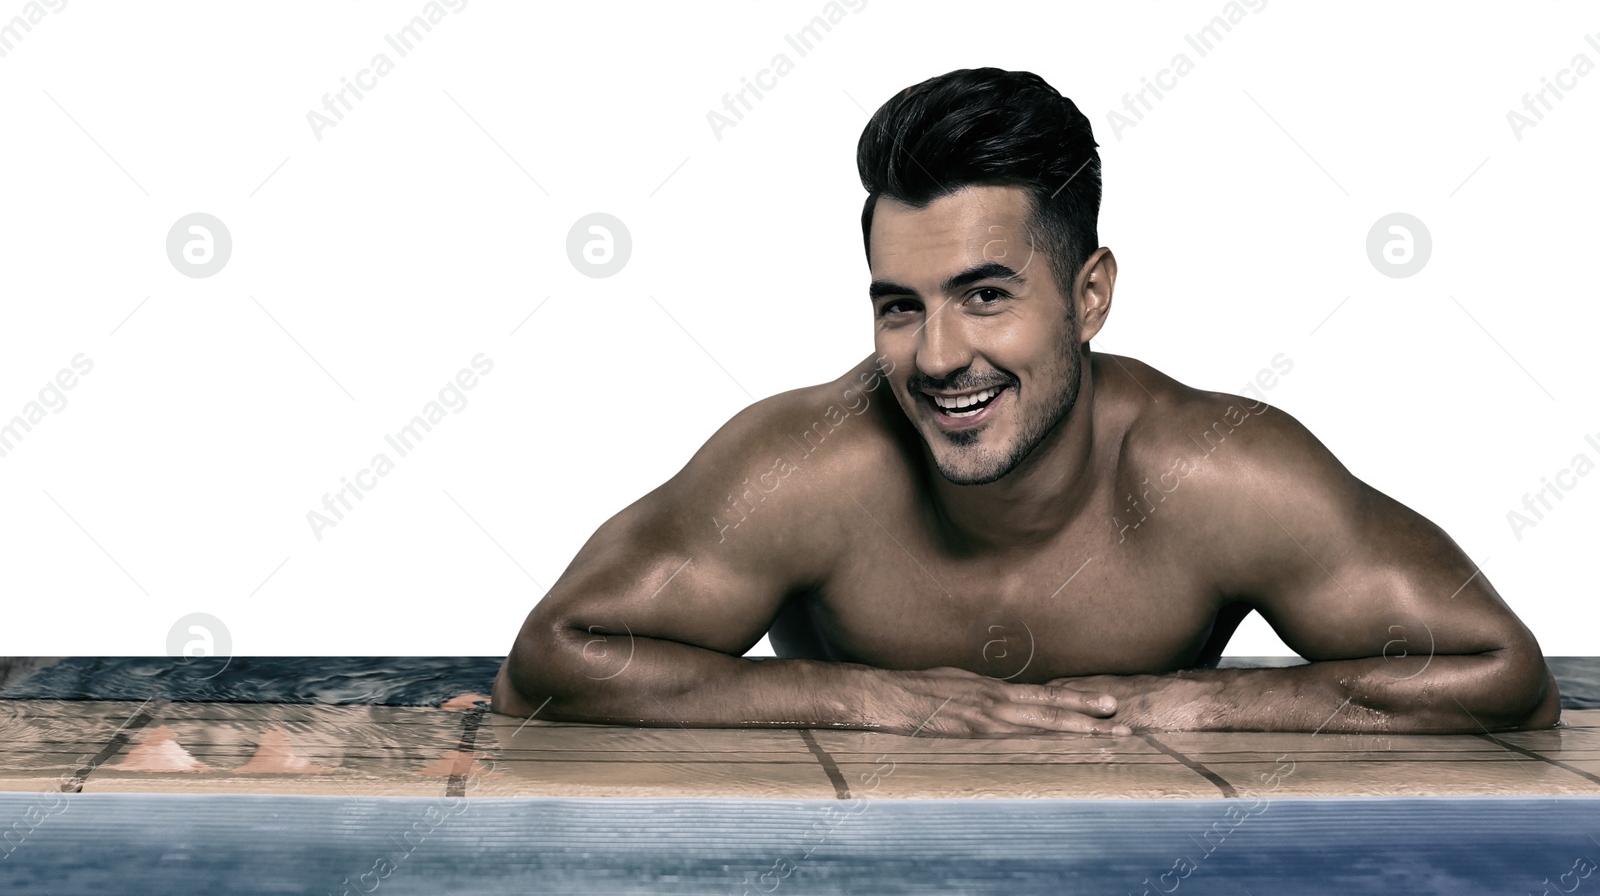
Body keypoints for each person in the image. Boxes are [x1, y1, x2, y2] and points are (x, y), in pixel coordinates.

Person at [492, 67, 1559, 735]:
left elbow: (1500, 671)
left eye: (985, 296)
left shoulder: (1214, 473)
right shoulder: (804, 466)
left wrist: (1206, 699)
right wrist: (873, 696)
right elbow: (549, 660)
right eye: (899, 305)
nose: (937, 355)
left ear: (1088, 295)